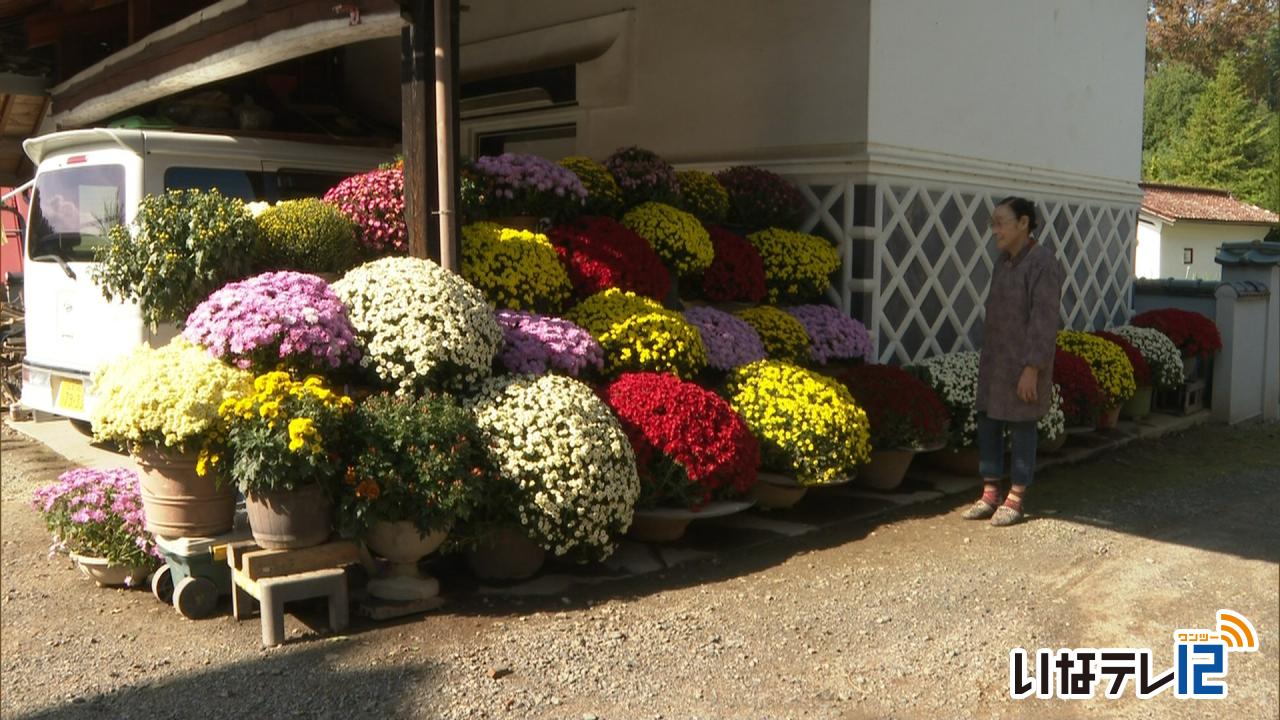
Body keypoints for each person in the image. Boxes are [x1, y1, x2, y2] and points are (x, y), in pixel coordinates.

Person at [963, 197, 1065, 526]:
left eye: (1000, 222)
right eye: (993, 223)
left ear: (1023, 223)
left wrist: (1032, 369)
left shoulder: (1043, 263)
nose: (995, 230)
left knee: (1022, 425)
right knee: (989, 421)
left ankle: (1017, 497)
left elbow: (1044, 320)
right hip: (997, 359)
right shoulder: (1001, 262)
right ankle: (990, 492)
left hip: (1024, 363)